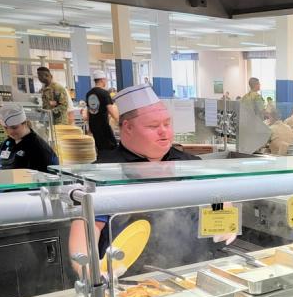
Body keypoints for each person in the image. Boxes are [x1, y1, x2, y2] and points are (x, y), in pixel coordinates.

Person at [69, 84, 235, 276]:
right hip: (128, 278)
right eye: (153, 126)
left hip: (192, 272)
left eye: (167, 124)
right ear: (127, 128)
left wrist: (223, 219)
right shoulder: (104, 171)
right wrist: (88, 269)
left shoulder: (190, 164)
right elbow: (86, 227)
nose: (164, 132)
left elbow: (216, 199)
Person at [0, 104, 58, 172]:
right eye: (5, 128)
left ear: (24, 123)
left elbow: (47, 177)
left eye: (14, 127)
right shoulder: (5, 144)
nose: (10, 132)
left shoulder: (39, 148)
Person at [86, 70, 119, 151]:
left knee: (100, 147)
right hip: (103, 125)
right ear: (102, 80)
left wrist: (88, 125)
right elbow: (110, 109)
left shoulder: (89, 93)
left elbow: (88, 110)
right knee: (112, 147)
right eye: (105, 80)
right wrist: (119, 121)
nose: (106, 82)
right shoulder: (104, 93)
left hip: (93, 125)